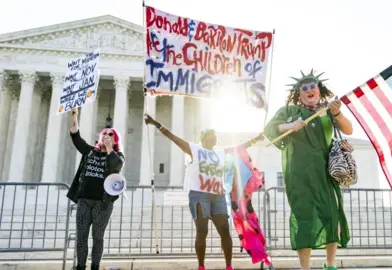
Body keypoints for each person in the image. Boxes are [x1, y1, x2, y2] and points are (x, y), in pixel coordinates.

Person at [144, 114, 263, 270]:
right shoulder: (195, 149)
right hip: (199, 195)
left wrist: (255, 139)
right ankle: (201, 266)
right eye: (213, 135)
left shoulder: (220, 152)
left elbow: (238, 148)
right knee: (202, 230)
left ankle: (229, 266)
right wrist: (156, 123)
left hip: (218, 195)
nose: (216, 138)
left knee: (225, 231)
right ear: (205, 137)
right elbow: (173, 137)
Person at [263, 70, 353, 270]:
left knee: (331, 214)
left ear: (319, 90)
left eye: (313, 86)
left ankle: (330, 264)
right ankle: (305, 268)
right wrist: (289, 126)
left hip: (325, 172)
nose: (309, 90)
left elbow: (348, 130)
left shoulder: (328, 110)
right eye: (304, 88)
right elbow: (270, 128)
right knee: (304, 217)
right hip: (299, 174)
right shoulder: (289, 111)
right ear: (299, 93)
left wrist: (337, 113)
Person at [66, 108, 126, 270]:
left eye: (111, 134)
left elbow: (117, 165)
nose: (107, 135)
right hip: (84, 199)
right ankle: (80, 266)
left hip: (103, 203)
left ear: (115, 140)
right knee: (82, 236)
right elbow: (76, 138)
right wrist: (74, 118)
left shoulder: (117, 156)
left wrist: (110, 150)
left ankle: (95, 266)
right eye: (105, 133)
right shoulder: (90, 152)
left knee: (98, 236)